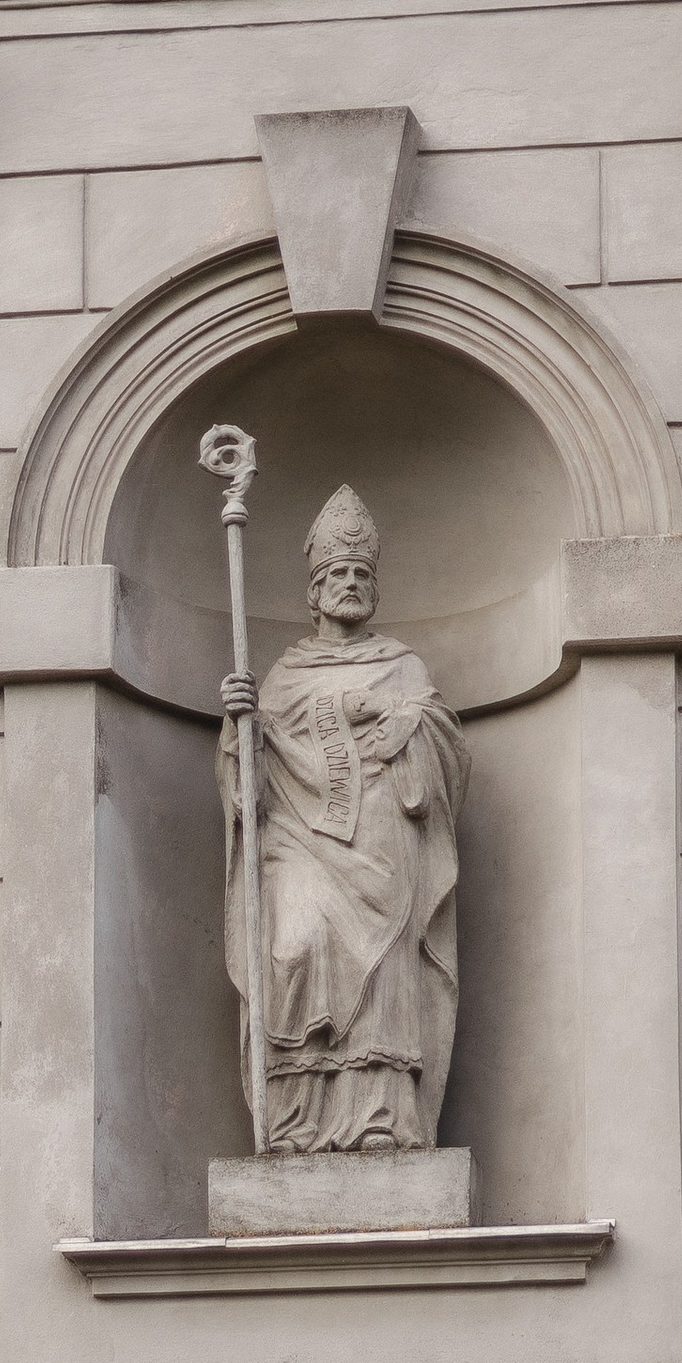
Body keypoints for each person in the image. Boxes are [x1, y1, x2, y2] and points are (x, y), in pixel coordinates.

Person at [218, 485, 469, 1153]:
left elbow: (444, 742)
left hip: (383, 838)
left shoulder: (402, 666)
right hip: (299, 838)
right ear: (315, 592)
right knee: (293, 944)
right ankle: (297, 1123)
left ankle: (384, 1118)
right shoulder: (285, 673)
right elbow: (252, 773)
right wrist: (240, 723)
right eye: (338, 575)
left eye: (361, 574)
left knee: (385, 966)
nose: (351, 584)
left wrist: (404, 727)